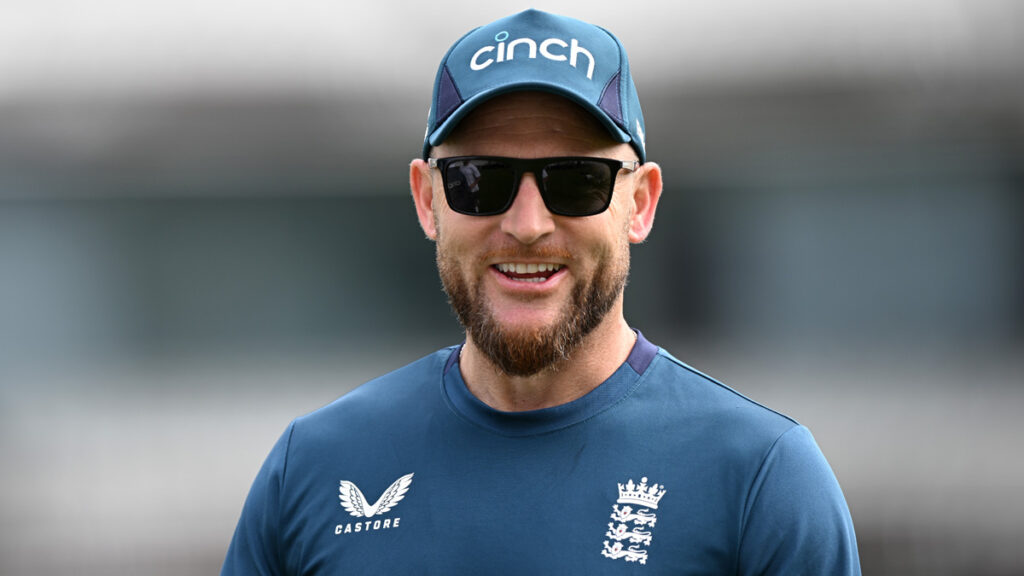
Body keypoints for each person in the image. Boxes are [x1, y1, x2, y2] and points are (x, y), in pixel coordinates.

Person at [222, 9, 860, 574]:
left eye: (578, 180)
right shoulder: (312, 468)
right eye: (479, 180)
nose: (527, 226)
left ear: (640, 204)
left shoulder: (761, 481)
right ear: (426, 199)